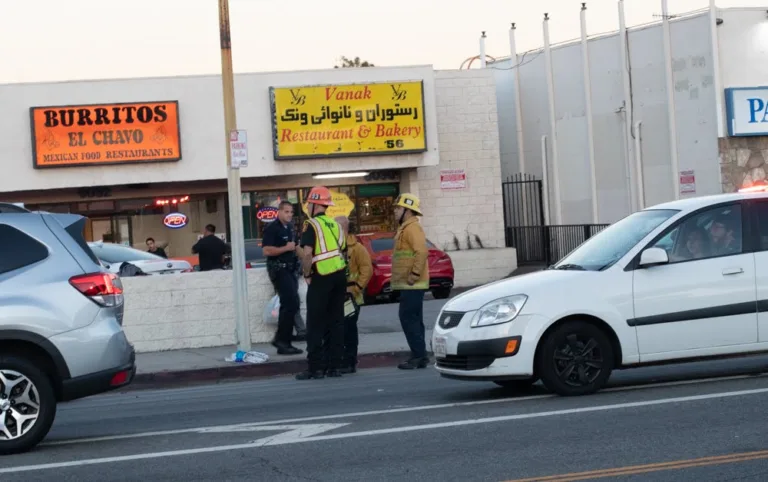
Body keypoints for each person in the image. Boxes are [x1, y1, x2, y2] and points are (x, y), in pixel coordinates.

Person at [296, 186, 347, 380]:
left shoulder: (311, 225)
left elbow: (308, 254)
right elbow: (342, 249)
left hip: (321, 277)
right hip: (339, 275)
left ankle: (315, 368)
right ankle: (335, 367)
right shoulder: (335, 225)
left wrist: (307, 274)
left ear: (315, 204)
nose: (308, 206)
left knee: (315, 323)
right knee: (336, 322)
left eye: (309, 203)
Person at [391, 193, 430, 370]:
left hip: (412, 283)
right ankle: (420, 355)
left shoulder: (412, 228)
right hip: (408, 283)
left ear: (407, 210)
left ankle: (418, 355)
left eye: (398, 208)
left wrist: (414, 275)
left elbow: (421, 252)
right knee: (413, 319)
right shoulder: (405, 228)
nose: (395, 211)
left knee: (408, 318)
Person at [262, 200, 303, 355]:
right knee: (290, 303)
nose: (289, 215)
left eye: (291, 212)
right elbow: (266, 251)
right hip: (279, 269)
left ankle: (282, 340)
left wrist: (308, 261)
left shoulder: (291, 228)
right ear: (278, 212)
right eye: (286, 211)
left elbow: (296, 247)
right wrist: (285, 248)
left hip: (291, 269)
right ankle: (282, 340)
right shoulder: (272, 228)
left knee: (292, 303)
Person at [334, 215, 373, 374]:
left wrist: (356, 288)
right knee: (339, 329)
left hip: (351, 297)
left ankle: (350, 361)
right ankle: (341, 359)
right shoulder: (333, 246)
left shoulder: (357, 248)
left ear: (343, 228)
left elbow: (367, 270)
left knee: (349, 330)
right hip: (336, 295)